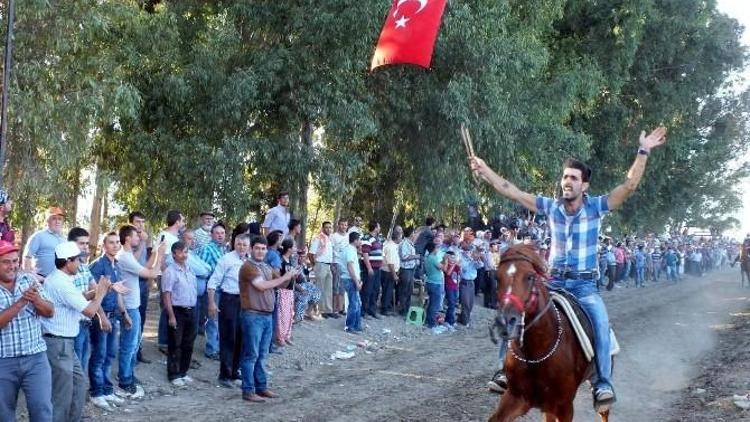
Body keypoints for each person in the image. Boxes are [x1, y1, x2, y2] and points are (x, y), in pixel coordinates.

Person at [470, 125, 667, 406]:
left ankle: (602, 383)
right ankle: (505, 370)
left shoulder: (597, 206)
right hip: (553, 282)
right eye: (565, 177)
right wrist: (484, 168)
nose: (567, 182)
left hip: (585, 285)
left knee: (600, 323)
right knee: (513, 308)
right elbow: (510, 190)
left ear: (584, 185)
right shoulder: (550, 207)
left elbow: (629, 185)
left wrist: (643, 150)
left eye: (574, 178)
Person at [41, 241, 111, 422]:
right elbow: (89, 311)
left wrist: (92, 294)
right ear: (68, 262)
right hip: (59, 344)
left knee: (78, 385)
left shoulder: (61, 279)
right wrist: (101, 292)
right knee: (61, 395)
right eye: (78, 260)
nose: (80, 264)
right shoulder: (61, 282)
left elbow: (74, 300)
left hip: (64, 344)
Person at [237, 236, 299, 402]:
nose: (260, 251)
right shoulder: (248, 267)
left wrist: (290, 275)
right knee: (251, 354)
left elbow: (280, 285)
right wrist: (285, 277)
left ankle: (261, 387)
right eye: (257, 248)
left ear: (266, 250)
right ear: (251, 249)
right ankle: (248, 390)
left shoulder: (266, 266)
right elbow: (261, 285)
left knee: (262, 354)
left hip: (266, 315)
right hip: (252, 314)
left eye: (263, 248)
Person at [0, 240, 54, 421]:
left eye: (15, 261)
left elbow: (50, 312)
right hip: (3, 361)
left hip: (36, 358)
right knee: (4, 414)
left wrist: (37, 300)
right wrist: (21, 302)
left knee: (42, 411)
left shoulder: (29, 280)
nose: (12, 266)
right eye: (6, 262)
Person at [117, 225, 165, 399]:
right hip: (129, 307)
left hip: (133, 305)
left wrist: (155, 254)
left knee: (134, 345)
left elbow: (144, 268)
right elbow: (150, 273)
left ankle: (128, 375)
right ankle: (125, 380)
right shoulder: (124, 257)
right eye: (136, 236)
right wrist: (160, 254)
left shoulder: (128, 256)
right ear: (128, 239)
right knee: (129, 345)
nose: (139, 238)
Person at [207, 234, 250, 389]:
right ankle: (224, 375)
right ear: (234, 244)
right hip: (229, 300)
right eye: (239, 244)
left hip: (245, 302)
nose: (242, 247)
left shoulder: (250, 261)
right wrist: (211, 302)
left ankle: (234, 371)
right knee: (228, 338)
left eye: (245, 245)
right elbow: (214, 280)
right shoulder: (226, 259)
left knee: (241, 337)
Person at [87, 232, 123, 410]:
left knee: (110, 354)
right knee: (99, 355)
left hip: (114, 314)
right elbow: (94, 296)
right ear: (104, 245)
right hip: (101, 316)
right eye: (111, 243)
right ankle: (97, 392)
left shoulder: (116, 264)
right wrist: (101, 317)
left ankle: (108, 390)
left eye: (117, 242)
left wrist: (124, 313)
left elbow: (117, 292)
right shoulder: (97, 265)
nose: (115, 245)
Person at [162, 241, 198, 387]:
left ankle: (183, 371)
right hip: (177, 310)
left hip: (191, 309)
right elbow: (166, 295)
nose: (184, 255)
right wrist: (171, 315)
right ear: (174, 254)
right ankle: (174, 374)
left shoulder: (189, 269)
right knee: (175, 343)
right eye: (181, 252)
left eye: (186, 252)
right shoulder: (170, 271)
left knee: (188, 343)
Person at [198, 222, 227, 359]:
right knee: (213, 319)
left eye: (222, 233)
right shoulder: (207, 249)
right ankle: (211, 349)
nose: (220, 235)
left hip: (223, 289)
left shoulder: (224, 249)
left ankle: (218, 347)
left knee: (220, 319)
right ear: (211, 234)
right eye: (217, 233)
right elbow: (200, 268)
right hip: (213, 289)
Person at [129, 211, 153, 365]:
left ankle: (138, 350)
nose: (140, 225)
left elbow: (147, 260)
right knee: (132, 318)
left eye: (143, 222)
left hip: (143, 282)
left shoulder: (143, 237)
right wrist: (143, 242)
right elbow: (133, 261)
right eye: (137, 222)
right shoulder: (129, 239)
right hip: (131, 283)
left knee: (142, 317)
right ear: (131, 222)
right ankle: (130, 353)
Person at [23, 207, 66, 277]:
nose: (57, 221)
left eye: (60, 219)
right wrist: (29, 278)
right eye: (54, 218)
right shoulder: (38, 236)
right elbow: (27, 257)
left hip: (59, 280)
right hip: (41, 279)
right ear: (47, 220)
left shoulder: (64, 239)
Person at [309, 222, 337, 318]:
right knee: (320, 288)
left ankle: (328, 310)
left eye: (330, 227)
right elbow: (311, 254)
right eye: (326, 227)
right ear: (322, 228)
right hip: (320, 265)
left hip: (328, 265)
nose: (328, 229)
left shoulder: (330, 239)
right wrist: (315, 265)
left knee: (328, 288)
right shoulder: (318, 239)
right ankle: (320, 310)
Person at [338, 232, 363, 333]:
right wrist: (356, 281)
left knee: (357, 302)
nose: (361, 242)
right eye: (359, 240)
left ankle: (357, 325)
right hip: (350, 279)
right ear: (355, 240)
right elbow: (350, 266)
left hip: (351, 278)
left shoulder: (351, 249)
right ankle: (350, 326)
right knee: (354, 303)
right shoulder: (350, 250)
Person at [397, 227, 419, 316]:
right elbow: (404, 257)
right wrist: (415, 256)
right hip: (405, 269)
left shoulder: (411, 243)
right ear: (410, 234)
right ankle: (403, 309)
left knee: (409, 290)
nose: (415, 235)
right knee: (404, 289)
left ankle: (407, 307)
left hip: (411, 268)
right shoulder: (404, 243)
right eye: (414, 233)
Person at [380, 227, 402, 316]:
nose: (401, 239)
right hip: (388, 272)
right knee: (388, 290)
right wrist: (394, 274)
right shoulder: (391, 247)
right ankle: (384, 308)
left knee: (388, 290)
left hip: (389, 271)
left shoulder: (392, 245)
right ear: (397, 237)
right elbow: (390, 263)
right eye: (401, 237)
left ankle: (386, 305)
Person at [423, 242, 444, 328]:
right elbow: (441, 267)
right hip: (435, 283)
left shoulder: (429, 258)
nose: (437, 249)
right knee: (435, 304)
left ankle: (429, 320)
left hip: (430, 282)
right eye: (436, 248)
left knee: (432, 302)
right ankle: (432, 323)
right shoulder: (433, 258)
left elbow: (439, 265)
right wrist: (446, 260)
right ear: (433, 249)